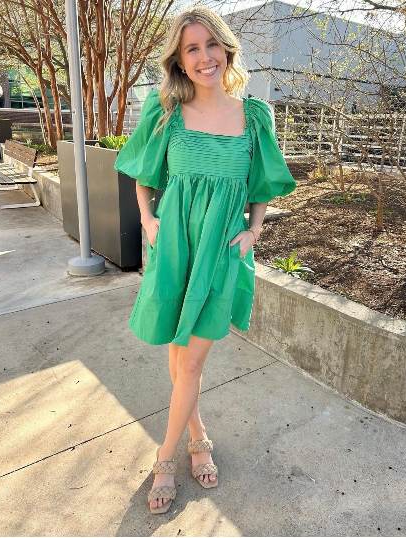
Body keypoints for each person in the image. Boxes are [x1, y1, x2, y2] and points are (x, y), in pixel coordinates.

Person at [114, 3, 297, 515]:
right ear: (180, 58)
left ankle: (164, 458)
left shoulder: (254, 115)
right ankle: (198, 437)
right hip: (174, 244)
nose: (203, 56)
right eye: (191, 48)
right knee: (179, 354)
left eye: (211, 44)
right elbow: (144, 173)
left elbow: (261, 182)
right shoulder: (165, 110)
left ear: (226, 48)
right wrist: (148, 219)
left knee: (191, 358)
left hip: (221, 248)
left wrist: (256, 227)